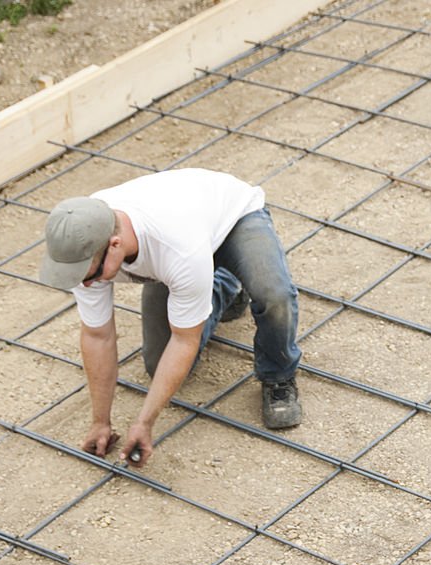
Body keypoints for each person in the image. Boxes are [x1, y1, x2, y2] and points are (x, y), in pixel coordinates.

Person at [39, 168, 302, 466]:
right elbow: (98, 335)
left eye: (92, 277)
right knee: (158, 365)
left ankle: (278, 375)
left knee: (274, 295)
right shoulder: (82, 244)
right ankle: (221, 284)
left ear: (114, 246)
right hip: (187, 247)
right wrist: (100, 421)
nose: (86, 285)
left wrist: (145, 423)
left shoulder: (177, 248)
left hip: (234, 216)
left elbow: (184, 339)